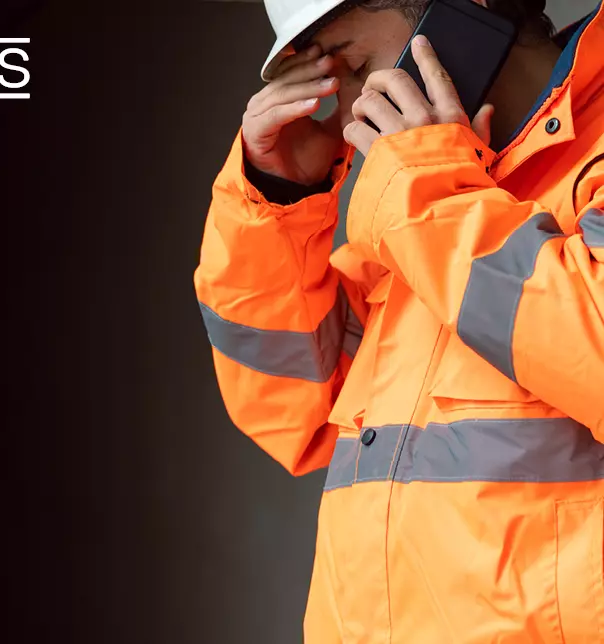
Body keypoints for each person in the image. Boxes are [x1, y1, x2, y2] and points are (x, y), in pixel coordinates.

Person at [194, 0, 604, 640]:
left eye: (353, 64)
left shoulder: (426, 196)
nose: (348, 107)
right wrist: (283, 201)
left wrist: (428, 192)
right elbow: (294, 418)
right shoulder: (425, 197)